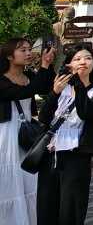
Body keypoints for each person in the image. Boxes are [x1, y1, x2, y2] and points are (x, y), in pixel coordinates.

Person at [36, 44, 93, 225]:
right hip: (50, 153)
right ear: (70, 64)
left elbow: (87, 112)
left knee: (71, 208)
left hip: (76, 156)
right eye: (77, 59)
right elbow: (44, 117)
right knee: (46, 207)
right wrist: (55, 93)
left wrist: (79, 84)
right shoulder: (60, 88)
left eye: (87, 58)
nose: (82, 62)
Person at [1, 37, 57, 225]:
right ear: (9, 56)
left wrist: (47, 64)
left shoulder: (30, 75)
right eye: (22, 50)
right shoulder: (2, 80)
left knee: (29, 175)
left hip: (27, 132)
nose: (27, 53)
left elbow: (47, 87)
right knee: (9, 176)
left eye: (28, 49)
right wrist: (42, 67)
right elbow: (22, 92)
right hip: (6, 133)